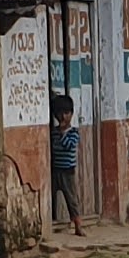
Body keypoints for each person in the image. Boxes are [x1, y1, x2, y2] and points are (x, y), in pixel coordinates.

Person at [48, 90, 83, 235]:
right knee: (51, 197)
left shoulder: (73, 132)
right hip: (55, 170)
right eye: (60, 113)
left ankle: (78, 226)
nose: (63, 117)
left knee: (72, 200)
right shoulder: (53, 132)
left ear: (72, 114)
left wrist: (63, 132)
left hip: (68, 171)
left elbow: (68, 145)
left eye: (66, 113)